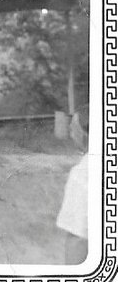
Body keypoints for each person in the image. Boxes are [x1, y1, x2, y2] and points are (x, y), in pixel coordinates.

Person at [57, 109, 89, 264]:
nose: (71, 134)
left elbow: (78, 237)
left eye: (73, 129)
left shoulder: (84, 171)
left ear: (84, 133)